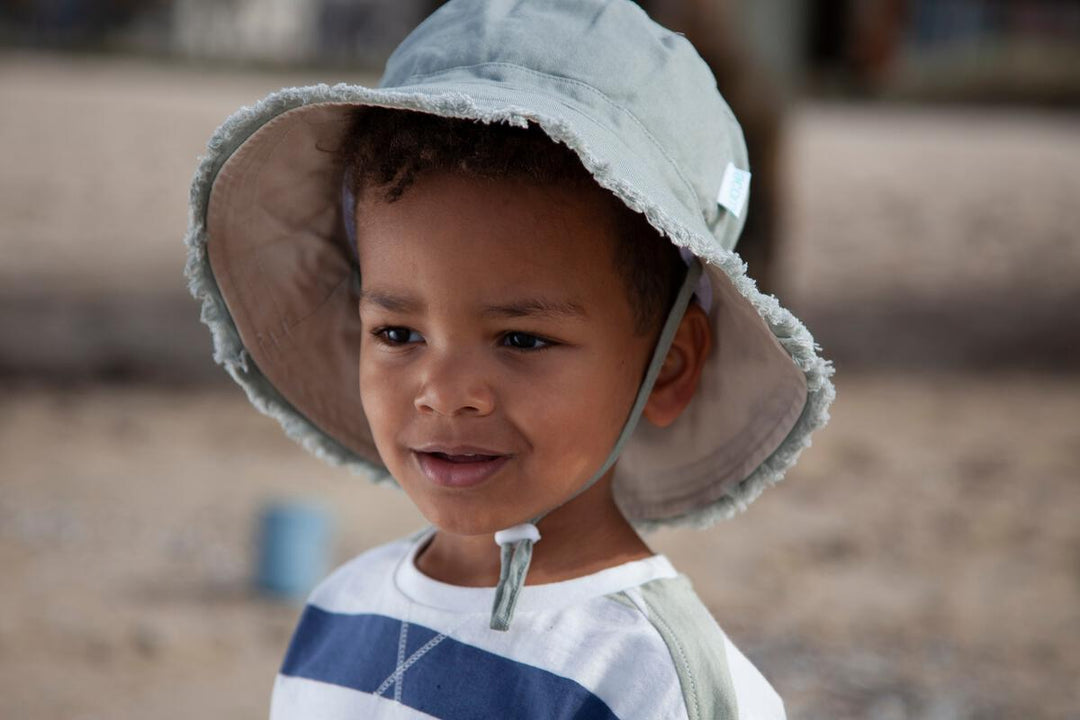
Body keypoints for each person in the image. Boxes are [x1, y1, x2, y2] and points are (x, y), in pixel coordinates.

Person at [183, 0, 835, 717]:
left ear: (670, 366)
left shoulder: (657, 684)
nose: (443, 393)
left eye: (521, 340)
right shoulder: (338, 615)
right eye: (397, 334)